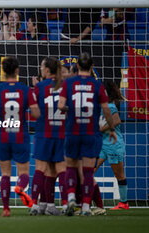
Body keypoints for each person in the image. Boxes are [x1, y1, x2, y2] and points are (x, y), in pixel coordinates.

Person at [58, 52, 117, 216]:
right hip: (91, 132)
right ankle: (85, 207)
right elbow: (106, 109)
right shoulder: (97, 85)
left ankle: (70, 196)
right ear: (91, 67)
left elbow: (61, 106)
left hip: (73, 131)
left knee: (70, 166)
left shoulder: (68, 83)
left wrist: (73, 109)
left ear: (77, 66)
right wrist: (112, 129)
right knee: (88, 171)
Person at [0, 57, 34, 217]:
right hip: (19, 134)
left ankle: (6, 209)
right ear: (17, 71)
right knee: (23, 171)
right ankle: (20, 187)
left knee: (5, 173)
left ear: (3, 71)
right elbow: (37, 113)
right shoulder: (25, 90)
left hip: (2, 134)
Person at [29, 57, 67, 216]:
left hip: (44, 132)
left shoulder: (39, 87)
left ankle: (34, 204)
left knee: (40, 169)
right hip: (61, 132)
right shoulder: (64, 85)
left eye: (42, 66)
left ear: (46, 70)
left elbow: (34, 110)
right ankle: (64, 205)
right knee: (60, 170)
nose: (40, 68)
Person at [95, 81, 128, 210]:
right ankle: (86, 201)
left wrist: (99, 130)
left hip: (114, 144)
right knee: (90, 170)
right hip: (101, 145)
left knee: (119, 174)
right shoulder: (98, 105)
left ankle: (124, 203)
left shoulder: (110, 106)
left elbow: (117, 121)